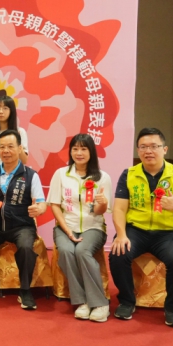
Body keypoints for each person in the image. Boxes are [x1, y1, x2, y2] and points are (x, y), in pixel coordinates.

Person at [109, 127, 173, 327]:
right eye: (143, 147)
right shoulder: (129, 174)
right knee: (118, 254)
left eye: (154, 146)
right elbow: (119, 209)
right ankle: (126, 301)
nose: (148, 151)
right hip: (136, 230)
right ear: (138, 150)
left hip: (169, 233)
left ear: (164, 149)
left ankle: (172, 308)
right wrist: (121, 234)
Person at [0, 129, 47, 310]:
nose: (6, 151)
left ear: (20, 148)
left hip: (22, 226)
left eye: (10, 147)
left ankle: (25, 290)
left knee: (26, 248)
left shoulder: (31, 175)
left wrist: (39, 209)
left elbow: (42, 203)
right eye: (2, 147)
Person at [48, 133, 112, 322]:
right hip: (65, 226)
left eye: (84, 149)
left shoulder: (102, 177)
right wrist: (67, 231)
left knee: (82, 251)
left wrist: (102, 202)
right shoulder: (61, 174)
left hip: (93, 228)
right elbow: (54, 205)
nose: (79, 153)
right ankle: (82, 301)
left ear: (91, 152)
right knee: (66, 251)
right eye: (75, 149)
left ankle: (100, 304)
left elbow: (100, 211)